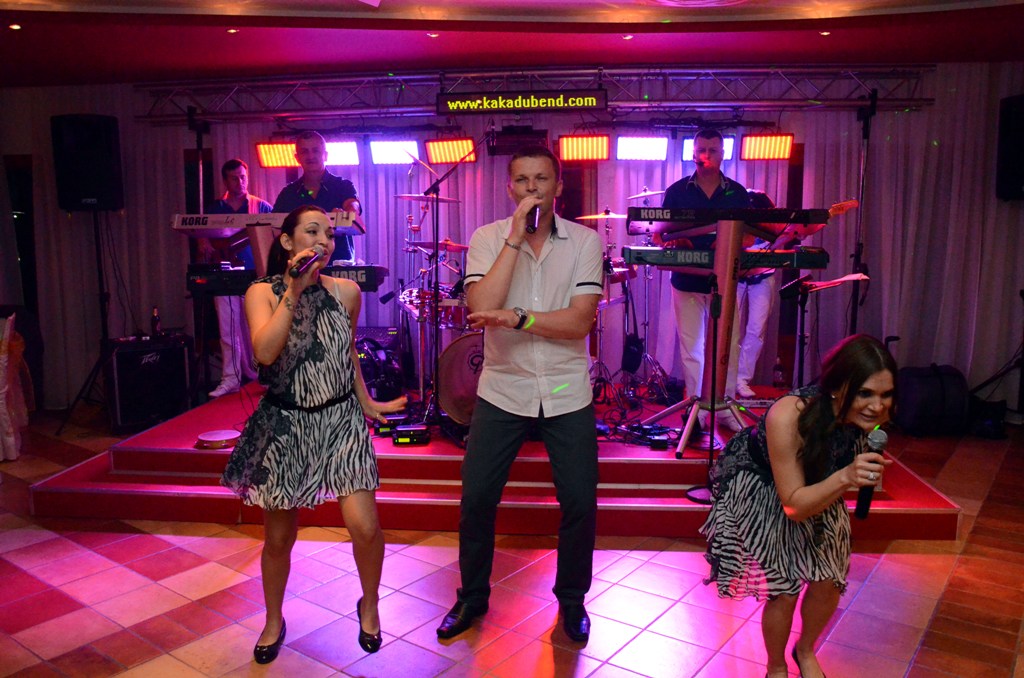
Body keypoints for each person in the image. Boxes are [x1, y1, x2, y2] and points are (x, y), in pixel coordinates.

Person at [221, 205, 406, 664]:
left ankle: (369, 604)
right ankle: (273, 620)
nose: (324, 240)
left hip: (341, 419)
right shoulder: (261, 292)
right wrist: (294, 290)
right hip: (286, 424)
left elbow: (347, 353)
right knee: (279, 538)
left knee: (365, 527)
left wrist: (365, 400)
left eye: (328, 233)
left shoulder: (346, 291)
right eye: (312, 231)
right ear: (287, 242)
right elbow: (265, 354)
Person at [435, 146, 604, 643]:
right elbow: (480, 305)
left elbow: (579, 322)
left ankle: (572, 601)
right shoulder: (487, 238)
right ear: (510, 189)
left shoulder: (585, 241)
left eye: (542, 179)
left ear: (558, 187)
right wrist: (513, 239)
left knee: (579, 501)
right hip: (503, 388)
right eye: (523, 180)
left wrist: (517, 318)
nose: (533, 188)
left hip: (566, 388)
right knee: (477, 498)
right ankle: (471, 597)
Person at [701, 334, 896, 678]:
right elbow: (793, 505)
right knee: (785, 587)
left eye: (886, 395)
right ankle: (776, 667)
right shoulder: (788, 414)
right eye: (865, 393)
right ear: (836, 388)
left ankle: (804, 650)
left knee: (830, 579)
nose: (877, 406)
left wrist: (849, 474)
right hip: (767, 485)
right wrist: (846, 477)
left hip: (822, 479)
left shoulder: (866, 418)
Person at [661, 128, 751, 431]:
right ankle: (698, 408)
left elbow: (749, 236)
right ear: (693, 153)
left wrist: (730, 243)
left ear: (723, 154)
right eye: (702, 149)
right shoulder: (677, 191)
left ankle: (724, 406)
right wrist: (676, 240)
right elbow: (660, 233)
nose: (706, 155)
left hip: (724, 281)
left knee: (729, 346)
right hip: (686, 279)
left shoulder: (737, 192)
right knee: (692, 348)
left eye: (713, 150)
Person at [198, 158, 273, 398]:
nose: (240, 182)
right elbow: (202, 238)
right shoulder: (214, 209)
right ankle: (230, 377)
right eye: (234, 178)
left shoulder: (261, 206)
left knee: (260, 328)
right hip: (226, 276)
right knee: (227, 329)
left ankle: (264, 375)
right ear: (225, 181)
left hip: (256, 276)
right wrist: (204, 242)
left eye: (243, 177)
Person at [272, 131, 363, 263]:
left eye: (315, 150)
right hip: (301, 267)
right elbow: (274, 229)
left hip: (338, 266)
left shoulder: (343, 186)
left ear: (325, 155)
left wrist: (348, 214)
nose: (310, 156)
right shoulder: (288, 193)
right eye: (304, 151)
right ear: (297, 157)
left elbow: (353, 206)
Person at [731, 190, 780, 399]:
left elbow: (786, 239)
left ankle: (742, 379)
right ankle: (728, 377)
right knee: (731, 328)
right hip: (738, 277)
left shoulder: (772, 225)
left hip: (764, 277)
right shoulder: (740, 223)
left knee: (756, 329)